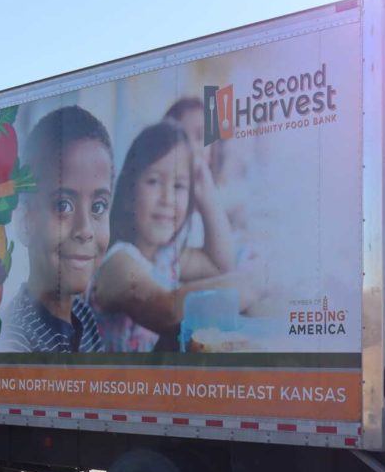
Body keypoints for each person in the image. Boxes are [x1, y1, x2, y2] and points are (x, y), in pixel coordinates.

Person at [89, 119, 261, 352]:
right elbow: (168, 309)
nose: (167, 199)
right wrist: (254, 283)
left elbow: (222, 265)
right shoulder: (117, 263)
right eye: (153, 182)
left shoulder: (167, 256)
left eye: (179, 186)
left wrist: (206, 195)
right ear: (129, 195)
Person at [4, 105, 113, 352]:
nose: (85, 230)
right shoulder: (14, 341)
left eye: (98, 206)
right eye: (63, 205)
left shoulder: (83, 316)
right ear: (25, 223)